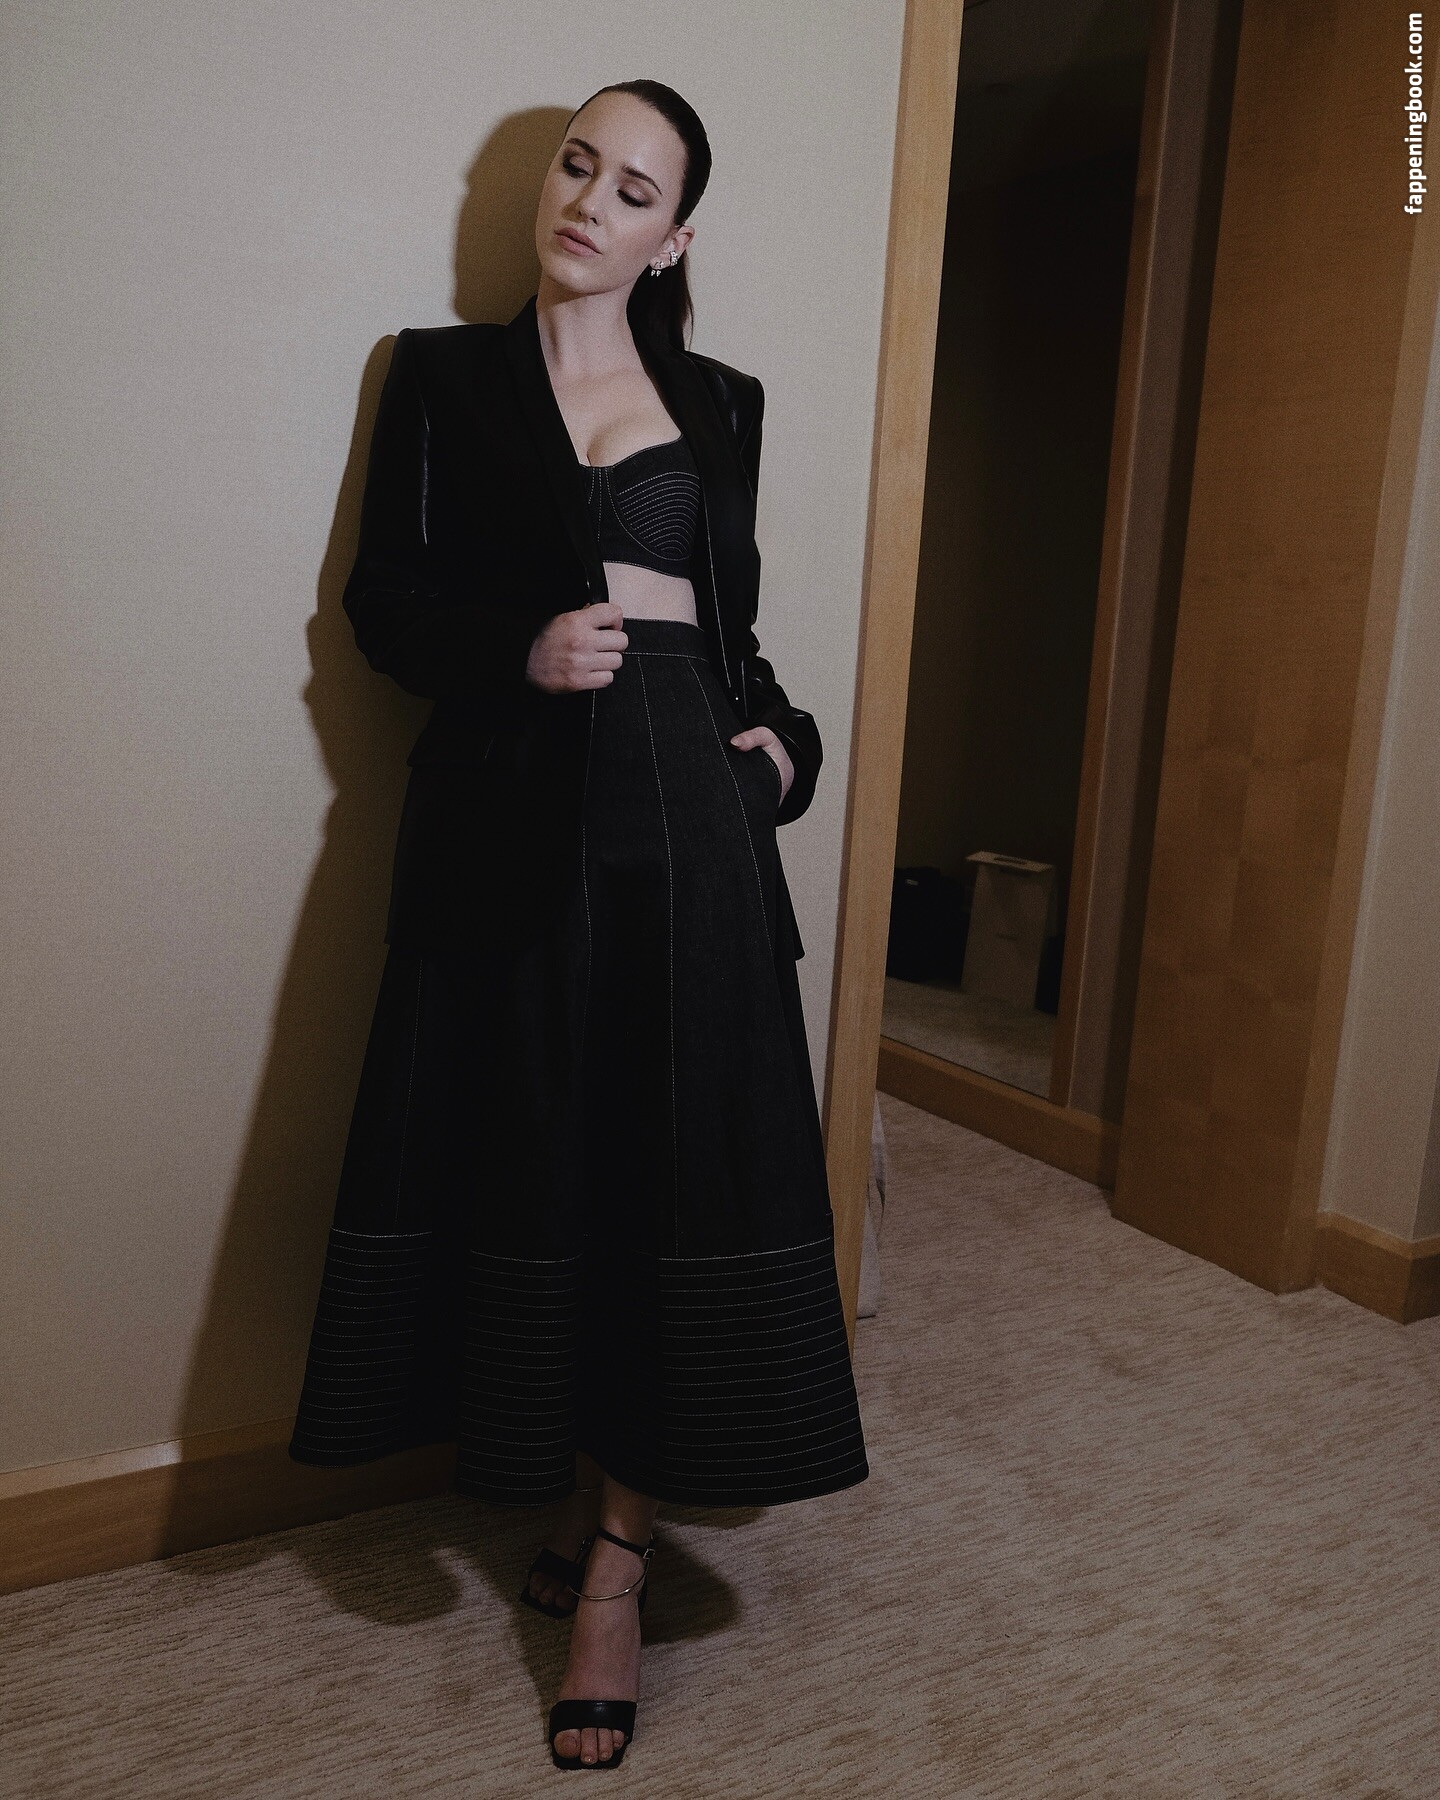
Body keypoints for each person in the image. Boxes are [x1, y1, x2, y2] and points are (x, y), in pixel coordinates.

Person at [287, 77, 869, 1771]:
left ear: (674, 238)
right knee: (550, 1148)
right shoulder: (441, 377)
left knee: (678, 1163)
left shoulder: (724, 402)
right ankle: (560, 1489)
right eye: (577, 165)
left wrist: (787, 747)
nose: (588, 204)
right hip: (518, 809)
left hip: (692, 809)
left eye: (634, 191)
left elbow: (734, 632)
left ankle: (615, 1562)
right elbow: (384, 604)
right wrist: (521, 651)